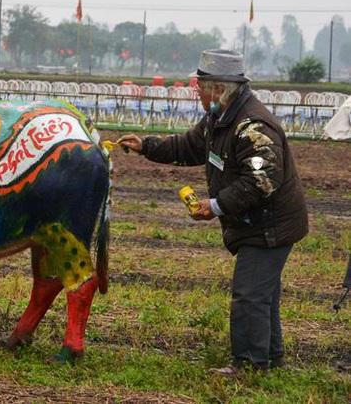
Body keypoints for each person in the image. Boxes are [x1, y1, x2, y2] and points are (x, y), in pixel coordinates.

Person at [118, 49, 308, 376]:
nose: (197, 93)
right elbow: (189, 147)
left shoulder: (252, 126)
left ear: (219, 88)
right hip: (255, 221)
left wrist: (216, 205)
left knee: (250, 295)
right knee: (263, 294)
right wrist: (145, 146)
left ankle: (249, 365)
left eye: (200, 87)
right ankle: (270, 358)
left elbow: (261, 180)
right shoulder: (219, 118)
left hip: (269, 225)